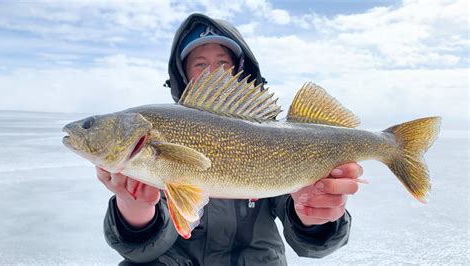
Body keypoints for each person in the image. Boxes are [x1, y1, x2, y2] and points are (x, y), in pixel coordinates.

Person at [97, 13, 363, 265]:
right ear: (183, 74)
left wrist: (315, 217)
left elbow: (312, 243)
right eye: (200, 63)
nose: (212, 71)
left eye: (222, 62)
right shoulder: (159, 138)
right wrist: (136, 212)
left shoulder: (273, 134)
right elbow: (144, 251)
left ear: (240, 69)